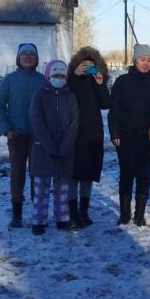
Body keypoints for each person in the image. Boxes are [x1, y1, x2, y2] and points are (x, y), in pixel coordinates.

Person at [108, 43, 150, 226]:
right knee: (126, 174)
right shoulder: (122, 82)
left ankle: (140, 214)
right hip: (125, 136)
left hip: (147, 136)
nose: (146, 63)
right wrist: (114, 132)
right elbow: (114, 110)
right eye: (142, 59)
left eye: (149, 60)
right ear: (135, 60)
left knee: (144, 174)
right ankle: (124, 213)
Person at [0, 43, 45, 227]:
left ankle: (38, 213)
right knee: (17, 174)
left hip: (38, 136)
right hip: (15, 135)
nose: (28, 57)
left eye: (32, 54)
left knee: (37, 174)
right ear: (18, 57)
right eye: (25, 54)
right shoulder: (10, 80)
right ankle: (17, 214)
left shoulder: (42, 80)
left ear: (36, 58)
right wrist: (6, 128)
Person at [28, 60, 79, 234]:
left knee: (62, 189)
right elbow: (36, 121)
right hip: (42, 149)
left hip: (65, 150)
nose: (59, 78)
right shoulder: (39, 95)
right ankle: (39, 221)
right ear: (48, 76)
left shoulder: (70, 97)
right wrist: (49, 145)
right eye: (55, 75)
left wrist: (65, 146)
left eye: (62, 75)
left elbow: (74, 123)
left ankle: (62, 218)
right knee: (41, 188)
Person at [66, 46, 111, 226]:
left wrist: (100, 84)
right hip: (73, 132)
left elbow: (106, 104)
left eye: (91, 65)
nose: (87, 68)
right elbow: (66, 95)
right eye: (84, 64)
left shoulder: (97, 81)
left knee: (88, 174)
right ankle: (72, 212)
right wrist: (75, 75)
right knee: (73, 174)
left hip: (93, 133)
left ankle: (83, 211)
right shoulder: (71, 80)